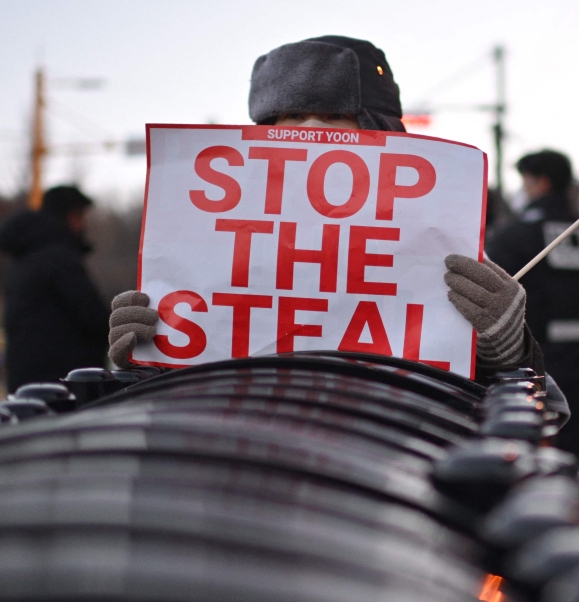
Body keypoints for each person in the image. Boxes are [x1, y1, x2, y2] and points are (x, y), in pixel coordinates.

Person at [107, 36, 544, 385]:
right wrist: (140, 363)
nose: (311, 131)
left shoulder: (444, 249)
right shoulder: (201, 249)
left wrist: (509, 352)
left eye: (334, 115)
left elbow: (523, 416)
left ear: (382, 133)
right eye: (293, 114)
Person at [485, 151, 579, 463]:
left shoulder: (516, 234)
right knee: (577, 451)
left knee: (533, 454)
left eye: (526, 181)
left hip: (533, 365)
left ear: (541, 183)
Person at [0, 185, 110, 391]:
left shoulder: (23, 257)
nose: (84, 224)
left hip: (25, 380)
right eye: (82, 216)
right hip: (62, 385)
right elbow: (95, 317)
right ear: (71, 216)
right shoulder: (60, 258)